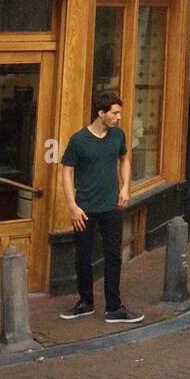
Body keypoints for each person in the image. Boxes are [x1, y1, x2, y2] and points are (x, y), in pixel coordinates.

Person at [58, 91, 144, 324]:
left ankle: (113, 308)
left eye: (119, 113)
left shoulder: (118, 135)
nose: (118, 118)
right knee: (83, 257)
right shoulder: (78, 140)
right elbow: (66, 171)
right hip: (84, 209)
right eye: (114, 113)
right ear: (101, 113)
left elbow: (124, 160)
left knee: (113, 257)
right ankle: (85, 302)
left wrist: (126, 187)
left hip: (111, 207)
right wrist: (72, 206)